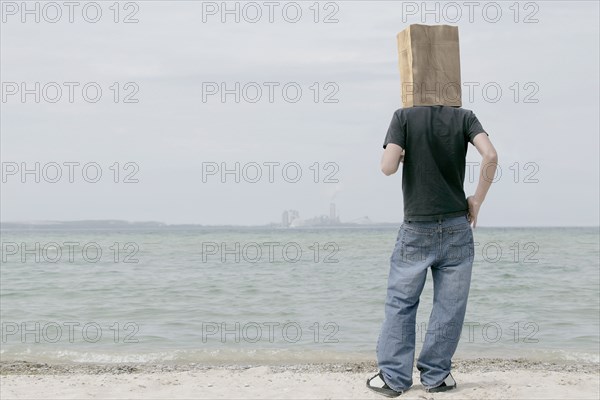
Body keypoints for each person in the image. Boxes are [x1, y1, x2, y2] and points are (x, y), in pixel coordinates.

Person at [366, 105, 498, 397]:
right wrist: (476, 200)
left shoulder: (403, 116)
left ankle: (394, 379)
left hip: (416, 228)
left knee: (402, 303)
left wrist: (400, 152)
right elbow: (490, 155)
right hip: (457, 226)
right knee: (450, 306)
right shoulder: (465, 116)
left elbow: (387, 167)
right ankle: (436, 377)